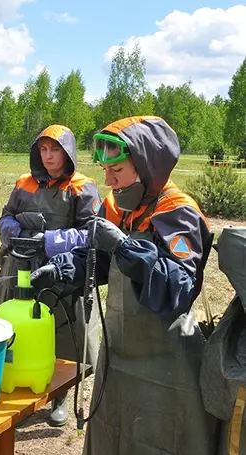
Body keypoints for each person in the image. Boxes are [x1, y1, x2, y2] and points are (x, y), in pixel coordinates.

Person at [30, 116, 217, 454]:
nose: (107, 179)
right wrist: (61, 270)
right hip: (118, 355)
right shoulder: (116, 207)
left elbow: (179, 287)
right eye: (105, 171)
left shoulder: (178, 212)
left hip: (168, 363)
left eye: (116, 171)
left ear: (146, 166)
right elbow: (98, 260)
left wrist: (124, 246)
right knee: (111, 436)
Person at [0, 125, 102, 427]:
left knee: (63, 331)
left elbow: (92, 233)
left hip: (61, 272)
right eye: (43, 149)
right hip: (20, 265)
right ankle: (16, 383)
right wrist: (15, 232)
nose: (49, 155)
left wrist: (49, 240)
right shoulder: (23, 183)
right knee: (17, 329)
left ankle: (60, 397)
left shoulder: (83, 187)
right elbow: (5, 216)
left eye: (55, 149)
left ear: (67, 152)